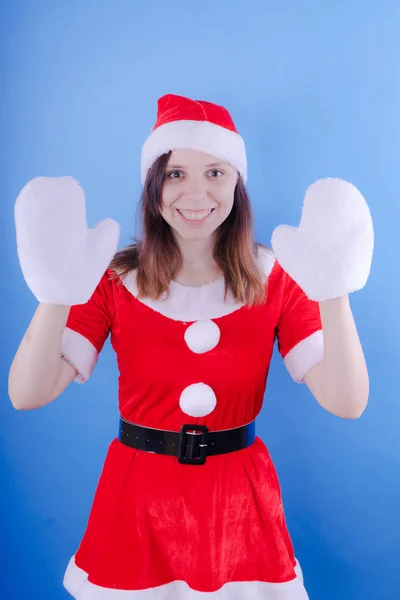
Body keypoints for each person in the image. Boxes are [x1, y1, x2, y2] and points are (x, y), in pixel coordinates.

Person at [9, 93, 374, 599]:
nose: (196, 192)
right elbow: (27, 394)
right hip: (137, 504)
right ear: (154, 184)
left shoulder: (277, 276)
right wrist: (53, 294)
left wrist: (335, 290)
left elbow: (347, 402)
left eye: (216, 173)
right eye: (176, 173)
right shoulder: (114, 278)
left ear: (237, 184)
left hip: (239, 506)